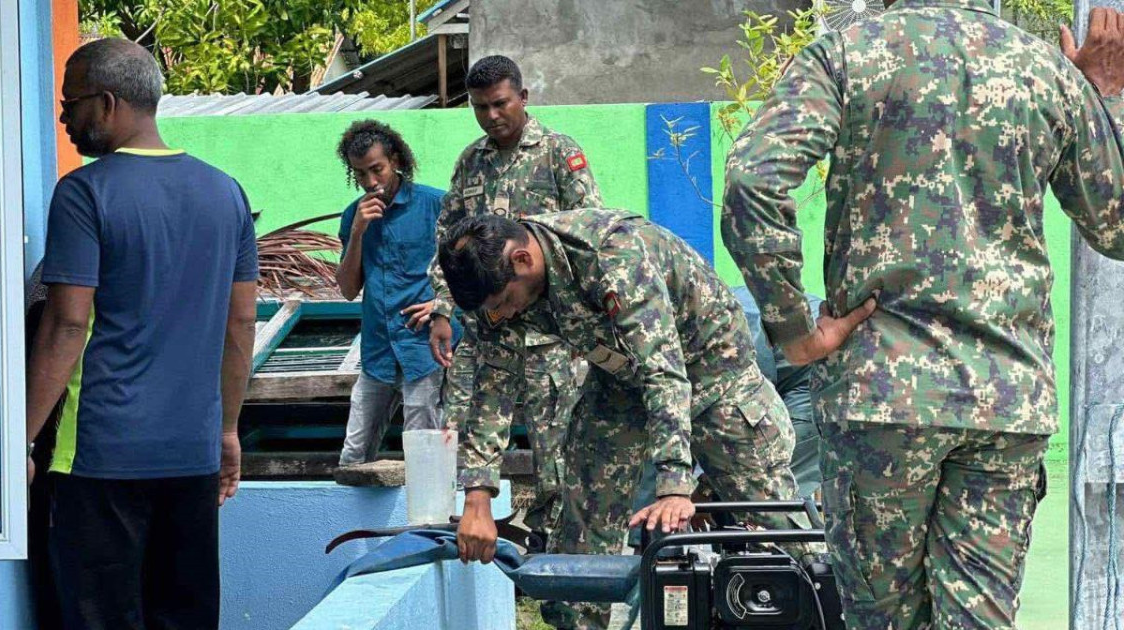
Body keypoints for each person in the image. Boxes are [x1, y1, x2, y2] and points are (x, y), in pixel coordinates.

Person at [720, 3, 1124, 627]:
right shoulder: (1046, 70)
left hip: (880, 394)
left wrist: (793, 333)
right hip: (1004, 397)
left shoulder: (847, 52)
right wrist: (1103, 99)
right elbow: (1115, 224)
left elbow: (753, 181)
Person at [441, 210, 856, 630]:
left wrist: (675, 486)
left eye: (504, 302)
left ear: (522, 260)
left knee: (775, 517)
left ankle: (834, 612)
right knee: (584, 516)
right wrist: (477, 498)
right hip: (619, 382)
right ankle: (579, 623)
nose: (506, 315)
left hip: (713, 373)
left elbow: (664, 372)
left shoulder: (611, 254)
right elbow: (492, 387)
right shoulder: (492, 279)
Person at [25, 38, 257, 630]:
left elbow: (68, 322)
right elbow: (240, 323)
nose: (64, 119)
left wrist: (19, 441)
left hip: (99, 457)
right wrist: (227, 431)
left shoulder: (84, 192)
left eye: (70, 104)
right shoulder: (227, 192)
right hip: (193, 455)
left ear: (106, 104)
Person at [426, 55, 603, 549]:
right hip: (488, 331)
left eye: (500, 103)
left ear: (523, 98)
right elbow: (448, 244)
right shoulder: (471, 162)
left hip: (550, 336)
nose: (491, 115)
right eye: (480, 107)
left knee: (556, 450)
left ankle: (554, 544)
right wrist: (442, 307)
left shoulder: (559, 153)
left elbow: (585, 234)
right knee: (468, 427)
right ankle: (470, 525)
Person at [627, 287, 823, 549]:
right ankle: (660, 555)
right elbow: (664, 444)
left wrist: (705, 490)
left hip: (814, 372)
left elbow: (744, 438)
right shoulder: (654, 339)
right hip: (763, 357)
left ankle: (801, 563)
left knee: (771, 495)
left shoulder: (720, 345)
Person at [334, 120, 451, 465]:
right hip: (377, 350)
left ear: (395, 161)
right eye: (360, 174)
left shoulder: (435, 205)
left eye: (377, 169)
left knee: (423, 458)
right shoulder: (354, 216)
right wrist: (358, 232)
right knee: (352, 456)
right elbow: (347, 289)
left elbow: (473, 269)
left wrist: (442, 304)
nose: (371, 182)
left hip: (424, 348)